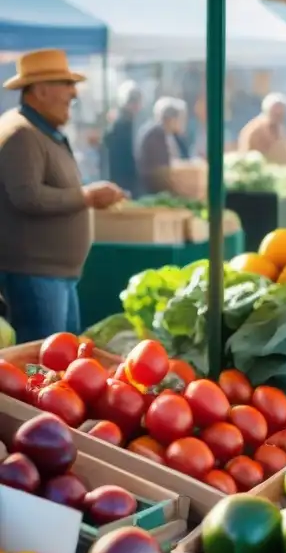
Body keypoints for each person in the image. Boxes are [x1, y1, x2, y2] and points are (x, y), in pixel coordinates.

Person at [0, 49, 124, 341]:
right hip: (35, 275)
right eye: (66, 85)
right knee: (39, 363)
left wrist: (88, 196)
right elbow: (28, 196)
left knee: (61, 361)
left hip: (52, 275)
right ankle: (32, 387)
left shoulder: (41, 130)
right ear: (41, 91)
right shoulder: (22, 133)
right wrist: (87, 197)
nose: (74, 93)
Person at [135, 97, 188, 195]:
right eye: (180, 119)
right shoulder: (154, 134)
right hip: (154, 190)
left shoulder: (171, 135)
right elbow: (163, 167)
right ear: (171, 119)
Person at [104, 80, 143, 197]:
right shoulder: (121, 126)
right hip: (122, 183)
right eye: (135, 102)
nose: (138, 107)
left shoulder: (126, 123)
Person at [237, 93, 286, 166]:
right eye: (276, 109)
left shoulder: (282, 131)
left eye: (281, 109)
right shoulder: (254, 130)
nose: (279, 112)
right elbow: (247, 156)